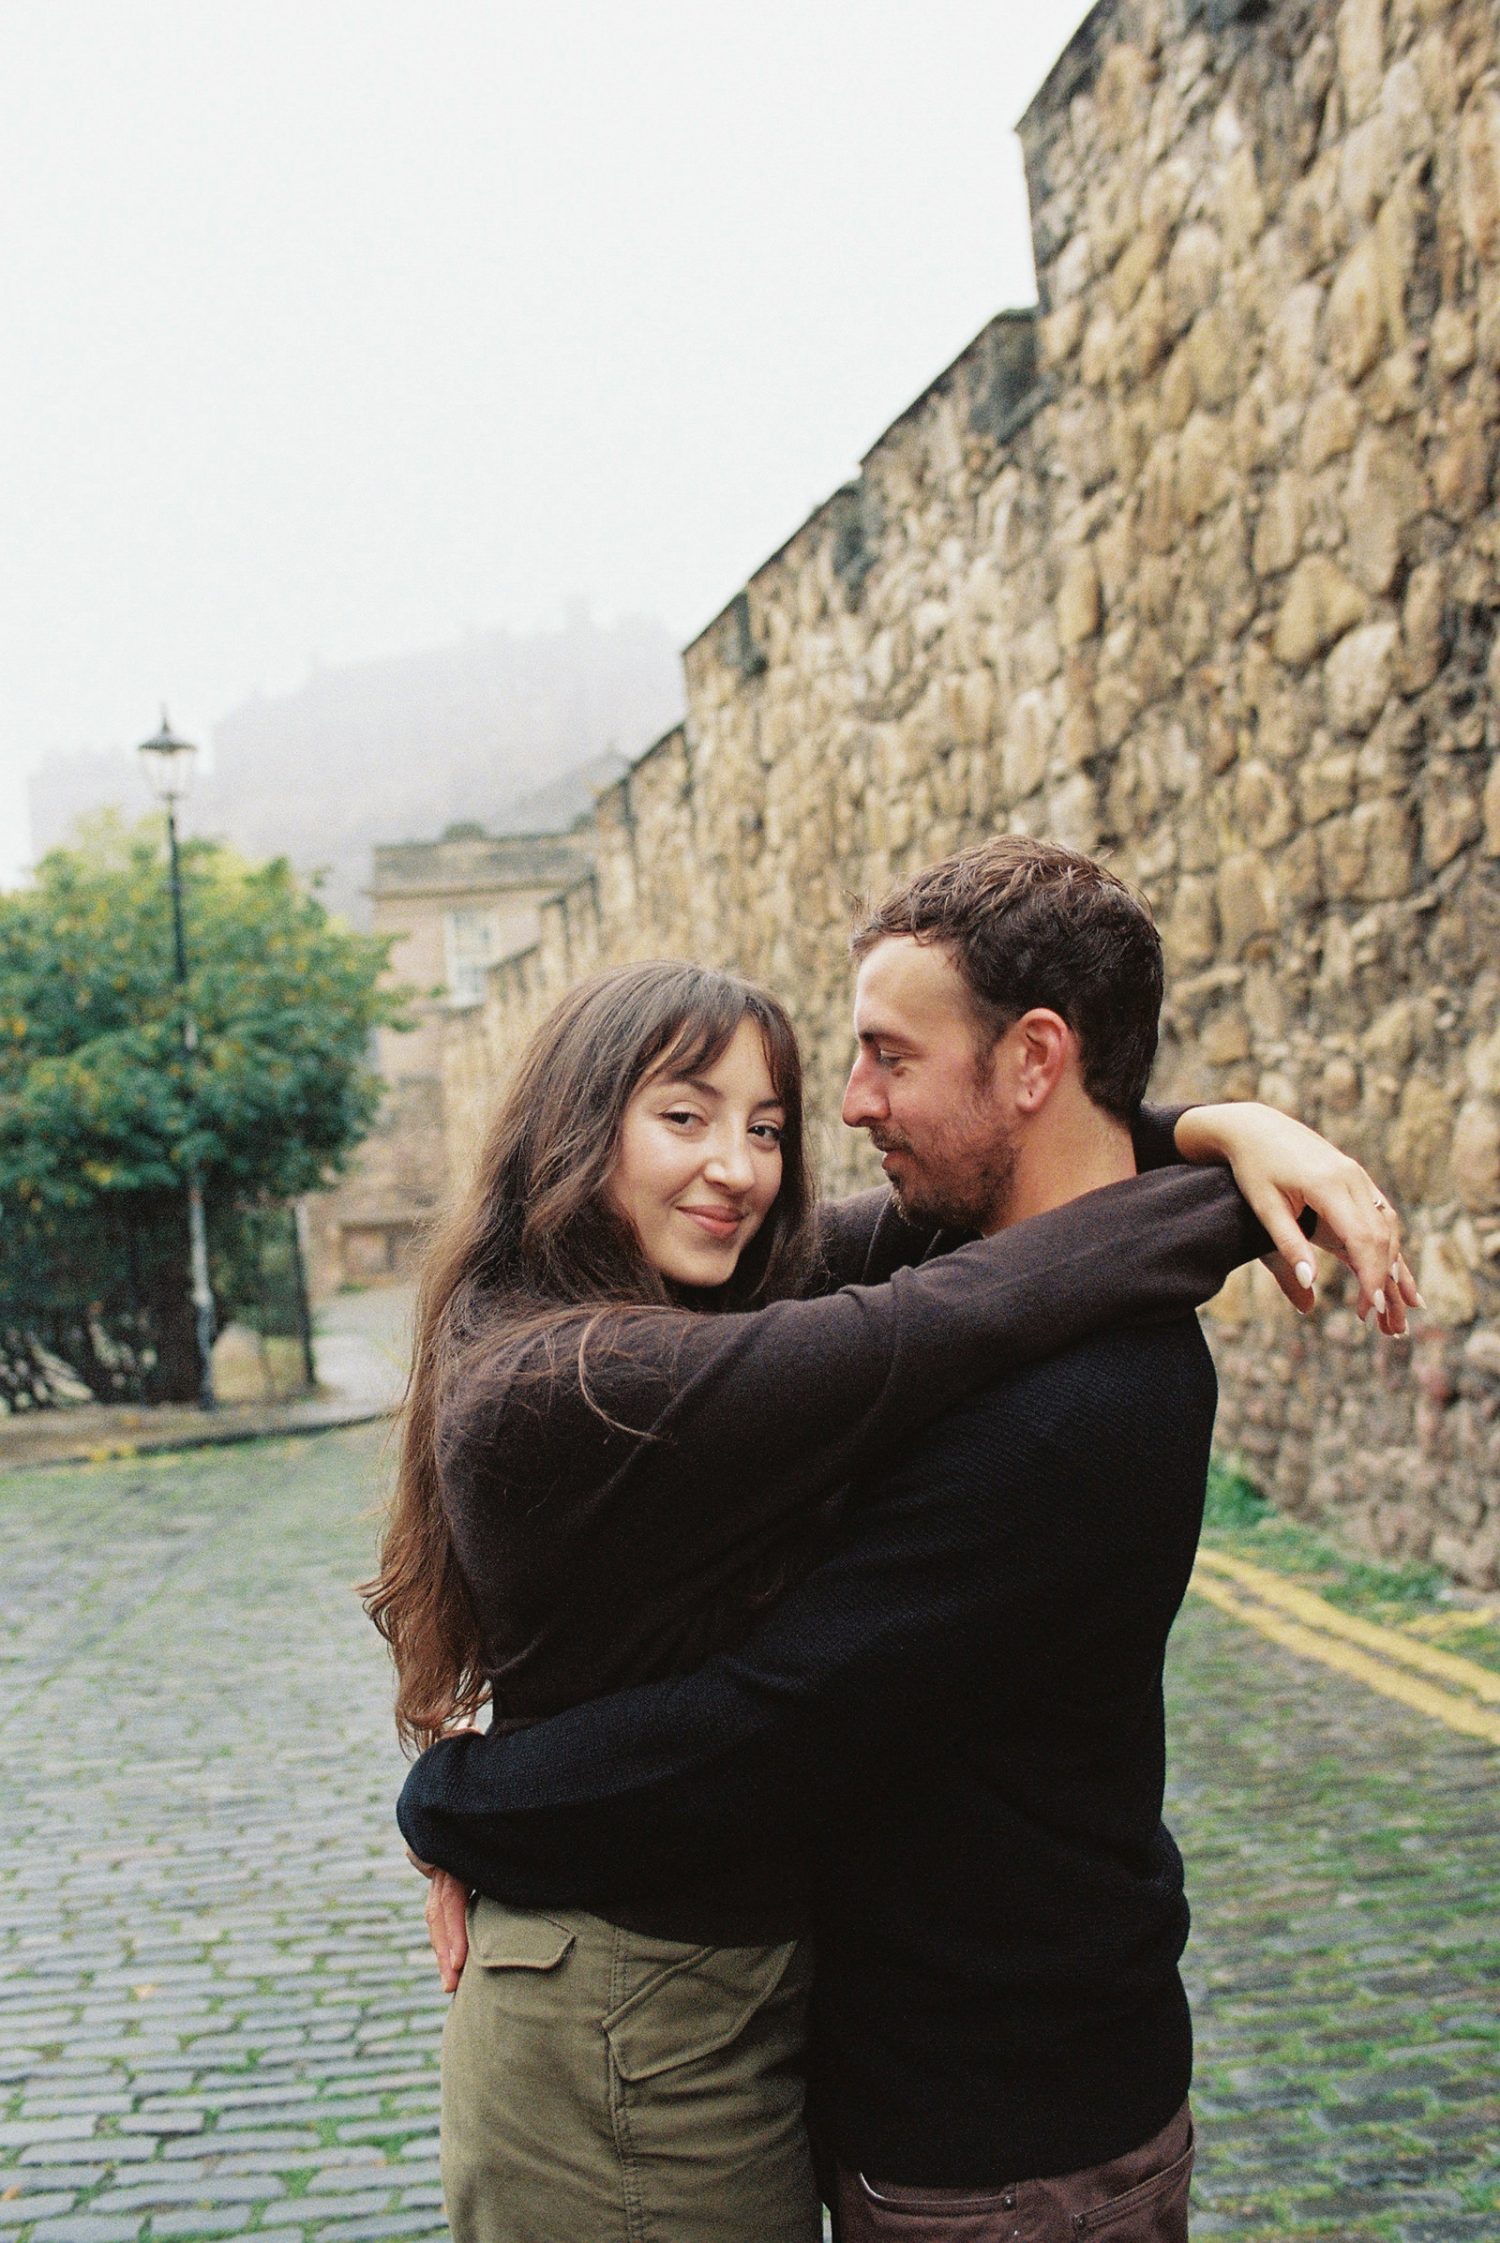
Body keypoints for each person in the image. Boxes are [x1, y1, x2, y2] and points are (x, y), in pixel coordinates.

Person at [378, 855, 1409, 2243]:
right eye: (684, 1115)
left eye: (783, 1112)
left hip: (952, 2097)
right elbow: (952, 1304)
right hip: (638, 2008)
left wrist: (459, 1799)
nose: (761, 1161)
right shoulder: (580, 1372)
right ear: (575, 1129)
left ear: (1036, 1061)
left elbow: (780, 1718)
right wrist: (1215, 1156)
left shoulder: (1062, 1402)